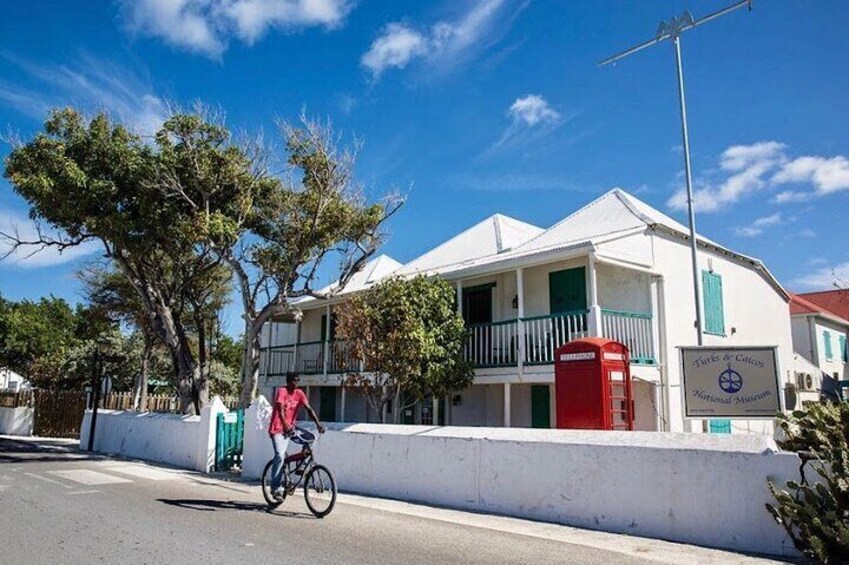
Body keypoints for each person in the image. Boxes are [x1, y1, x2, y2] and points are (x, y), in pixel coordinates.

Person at [268, 372, 325, 500]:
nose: (296, 383)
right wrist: (285, 425)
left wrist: (318, 424)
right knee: (279, 455)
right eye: (294, 381)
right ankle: (275, 488)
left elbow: (308, 409)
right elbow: (280, 409)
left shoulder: (299, 393)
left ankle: (301, 464)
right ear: (288, 381)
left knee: (310, 439)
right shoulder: (281, 391)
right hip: (277, 429)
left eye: (298, 381)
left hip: (291, 428)